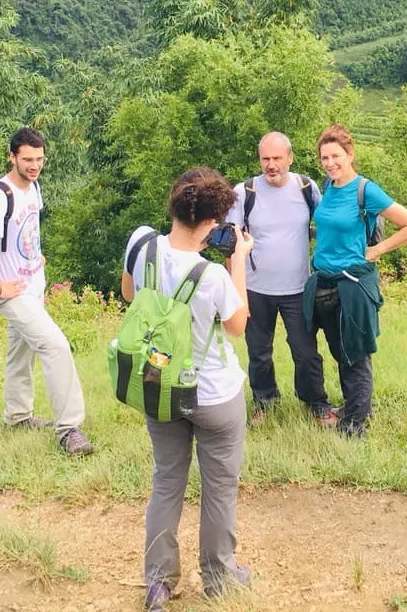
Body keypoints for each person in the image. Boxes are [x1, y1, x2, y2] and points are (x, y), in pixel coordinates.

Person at [122, 167, 254, 611]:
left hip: (159, 386)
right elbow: (237, 327)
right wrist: (237, 262)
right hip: (214, 393)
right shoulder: (212, 274)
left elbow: (129, 294)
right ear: (213, 222)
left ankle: (159, 582)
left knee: (166, 482)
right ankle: (219, 578)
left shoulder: (141, 247)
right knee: (218, 489)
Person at [0, 127, 92, 456]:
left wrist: (37, 257)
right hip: (12, 293)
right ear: (12, 157)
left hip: (33, 284)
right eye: (27, 160)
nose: (34, 165)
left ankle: (17, 416)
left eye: (39, 159)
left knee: (19, 354)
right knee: (56, 346)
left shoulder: (33, 188)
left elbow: (27, 228)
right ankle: (69, 429)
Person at [307, 123, 407, 437]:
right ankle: (353, 405)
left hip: (354, 283)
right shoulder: (328, 186)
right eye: (324, 157)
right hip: (326, 281)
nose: (330, 163)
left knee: (355, 353)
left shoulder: (366, 190)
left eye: (336, 156)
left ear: (350, 154)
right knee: (338, 349)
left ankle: (354, 425)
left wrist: (378, 250)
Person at [225, 131, 337, 426]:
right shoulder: (244, 192)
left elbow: (328, 225)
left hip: (298, 287)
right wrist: (232, 287)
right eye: (265, 159)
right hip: (254, 288)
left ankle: (316, 403)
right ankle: (265, 402)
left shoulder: (306, 187)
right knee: (259, 352)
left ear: (290, 157)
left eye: (277, 158)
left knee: (305, 351)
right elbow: (231, 242)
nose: (271, 165)